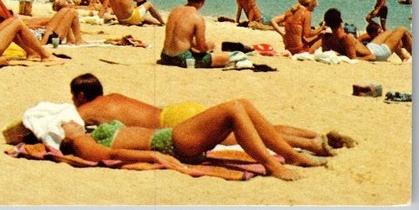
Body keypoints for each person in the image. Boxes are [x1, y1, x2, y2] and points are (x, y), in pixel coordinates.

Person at [69, 73, 352, 156]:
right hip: (177, 110)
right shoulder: (113, 97)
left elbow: (63, 125)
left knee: (240, 136)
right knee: (256, 124)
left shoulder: (85, 109)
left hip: (175, 123)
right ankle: (315, 134)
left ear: (81, 95)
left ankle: (312, 145)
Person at [59, 98, 326, 181]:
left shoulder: (91, 131)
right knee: (234, 108)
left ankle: (291, 155)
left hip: (176, 140)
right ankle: (275, 164)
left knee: (241, 105)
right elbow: (108, 157)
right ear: (67, 140)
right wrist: (151, 156)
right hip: (172, 142)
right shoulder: (81, 144)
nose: (68, 124)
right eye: (66, 128)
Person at [159, 0, 231, 68]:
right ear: (203, 1)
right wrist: (209, 47)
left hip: (165, 55)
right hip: (182, 58)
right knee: (226, 58)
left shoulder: (174, 11)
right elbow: (202, 48)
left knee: (211, 45)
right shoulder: (197, 17)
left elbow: (180, 37)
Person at [320, 8, 411, 62]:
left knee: (389, 32)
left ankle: (404, 58)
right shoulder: (347, 38)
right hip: (378, 53)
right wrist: (369, 57)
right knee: (402, 29)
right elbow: (353, 59)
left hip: (370, 47)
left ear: (327, 24)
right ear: (341, 21)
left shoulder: (327, 38)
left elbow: (326, 55)